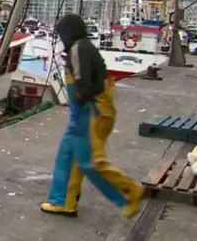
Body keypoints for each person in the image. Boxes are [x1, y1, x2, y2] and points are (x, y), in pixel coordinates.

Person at [40, 14, 145, 219]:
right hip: (83, 113)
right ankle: (63, 202)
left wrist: (79, 105)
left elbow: (84, 83)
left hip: (90, 112)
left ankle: (129, 191)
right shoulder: (83, 46)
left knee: (90, 161)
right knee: (68, 156)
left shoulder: (78, 48)